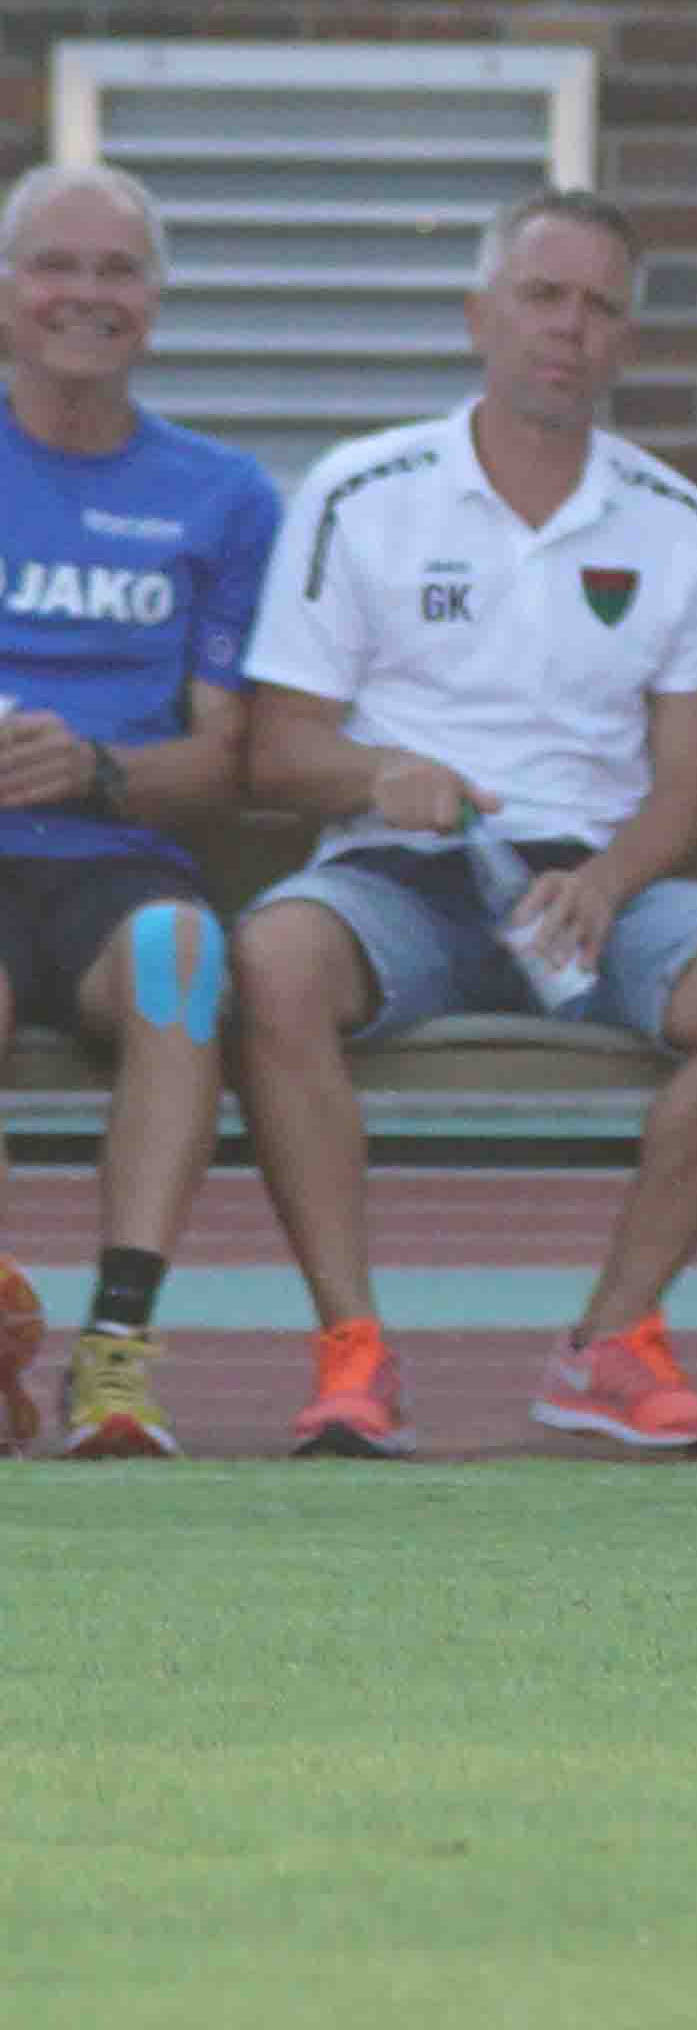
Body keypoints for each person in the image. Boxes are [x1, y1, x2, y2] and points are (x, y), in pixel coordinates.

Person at [232, 190, 697, 1461]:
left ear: (629, 341)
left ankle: (610, 1343)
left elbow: (691, 786)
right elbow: (277, 747)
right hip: (399, 879)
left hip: (594, 893)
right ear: (479, 315)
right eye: (542, 295)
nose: (570, 327)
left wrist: (608, 881)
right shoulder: (362, 489)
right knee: (274, 957)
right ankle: (352, 1351)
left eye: (600, 306)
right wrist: (379, 775)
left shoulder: (680, 521)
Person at [0, 166, 283, 1461]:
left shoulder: (224, 495)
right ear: (8, 291)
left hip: (116, 865)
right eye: (56, 265)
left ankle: (116, 1352)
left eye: (118, 270)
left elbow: (229, 755)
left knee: (184, 955)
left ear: (157, 302)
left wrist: (98, 771)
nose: (87, 295)